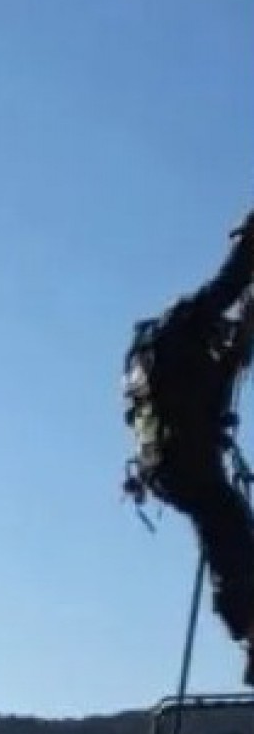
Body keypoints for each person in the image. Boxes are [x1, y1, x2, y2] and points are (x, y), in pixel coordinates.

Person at [124, 210, 254, 682]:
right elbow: (228, 283)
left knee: (223, 529)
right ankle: (248, 629)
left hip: (167, 466)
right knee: (230, 525)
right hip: (183, 459)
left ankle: (247, 630)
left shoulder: (168, 356)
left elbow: (221, 379)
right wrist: (249, 243)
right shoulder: (185, 323)